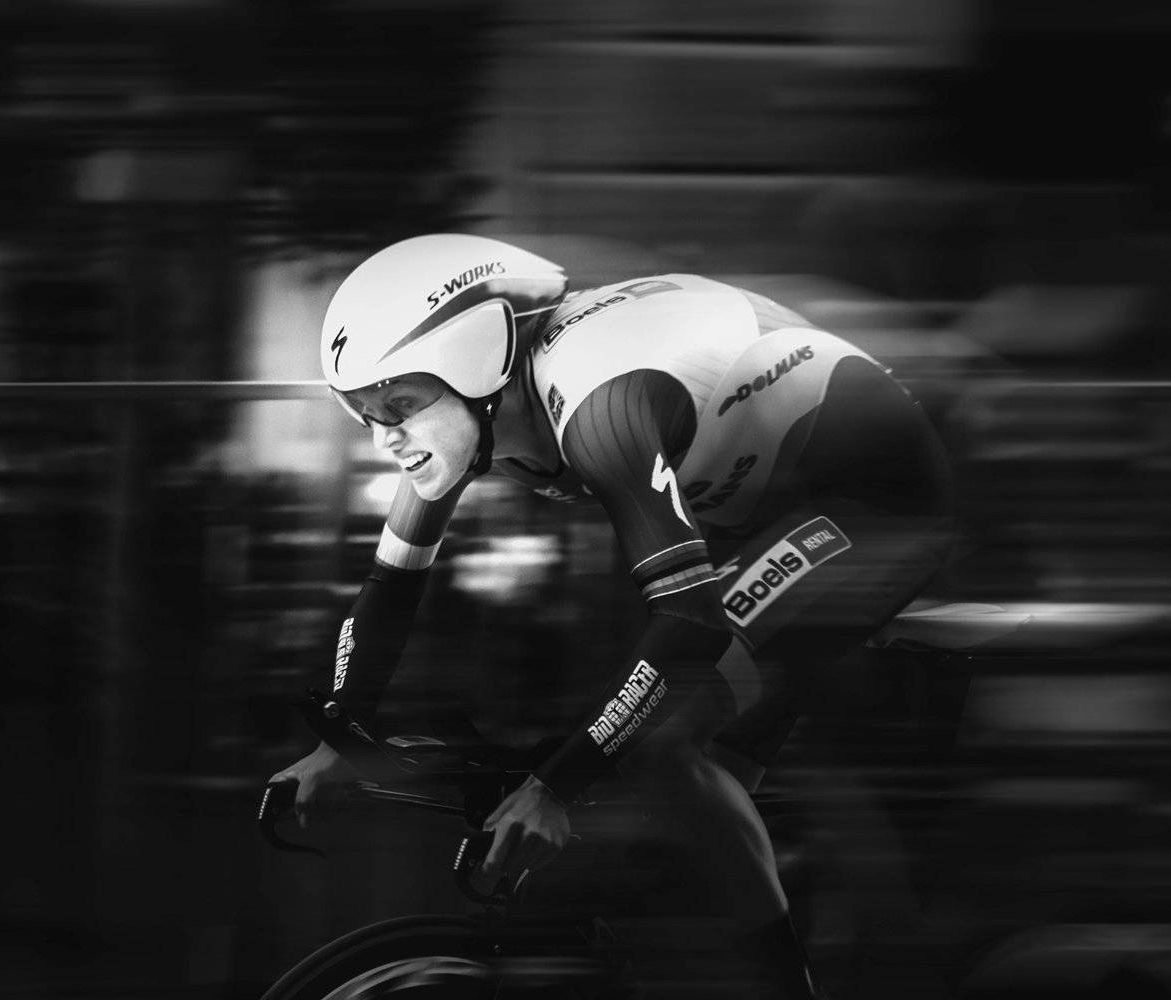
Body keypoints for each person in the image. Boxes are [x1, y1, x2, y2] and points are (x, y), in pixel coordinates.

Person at [270, 234, 955, 999]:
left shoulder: (604, 406)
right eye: (366, 414)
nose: (385, 437)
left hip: (872, 502)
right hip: (745, 507)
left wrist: (555, 786)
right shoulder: (464, 417)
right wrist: (340, 734)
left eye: (399, 406)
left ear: (474, 365)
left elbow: (690, 623)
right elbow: (390, 585)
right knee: (643, 760)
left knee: (662, 742)